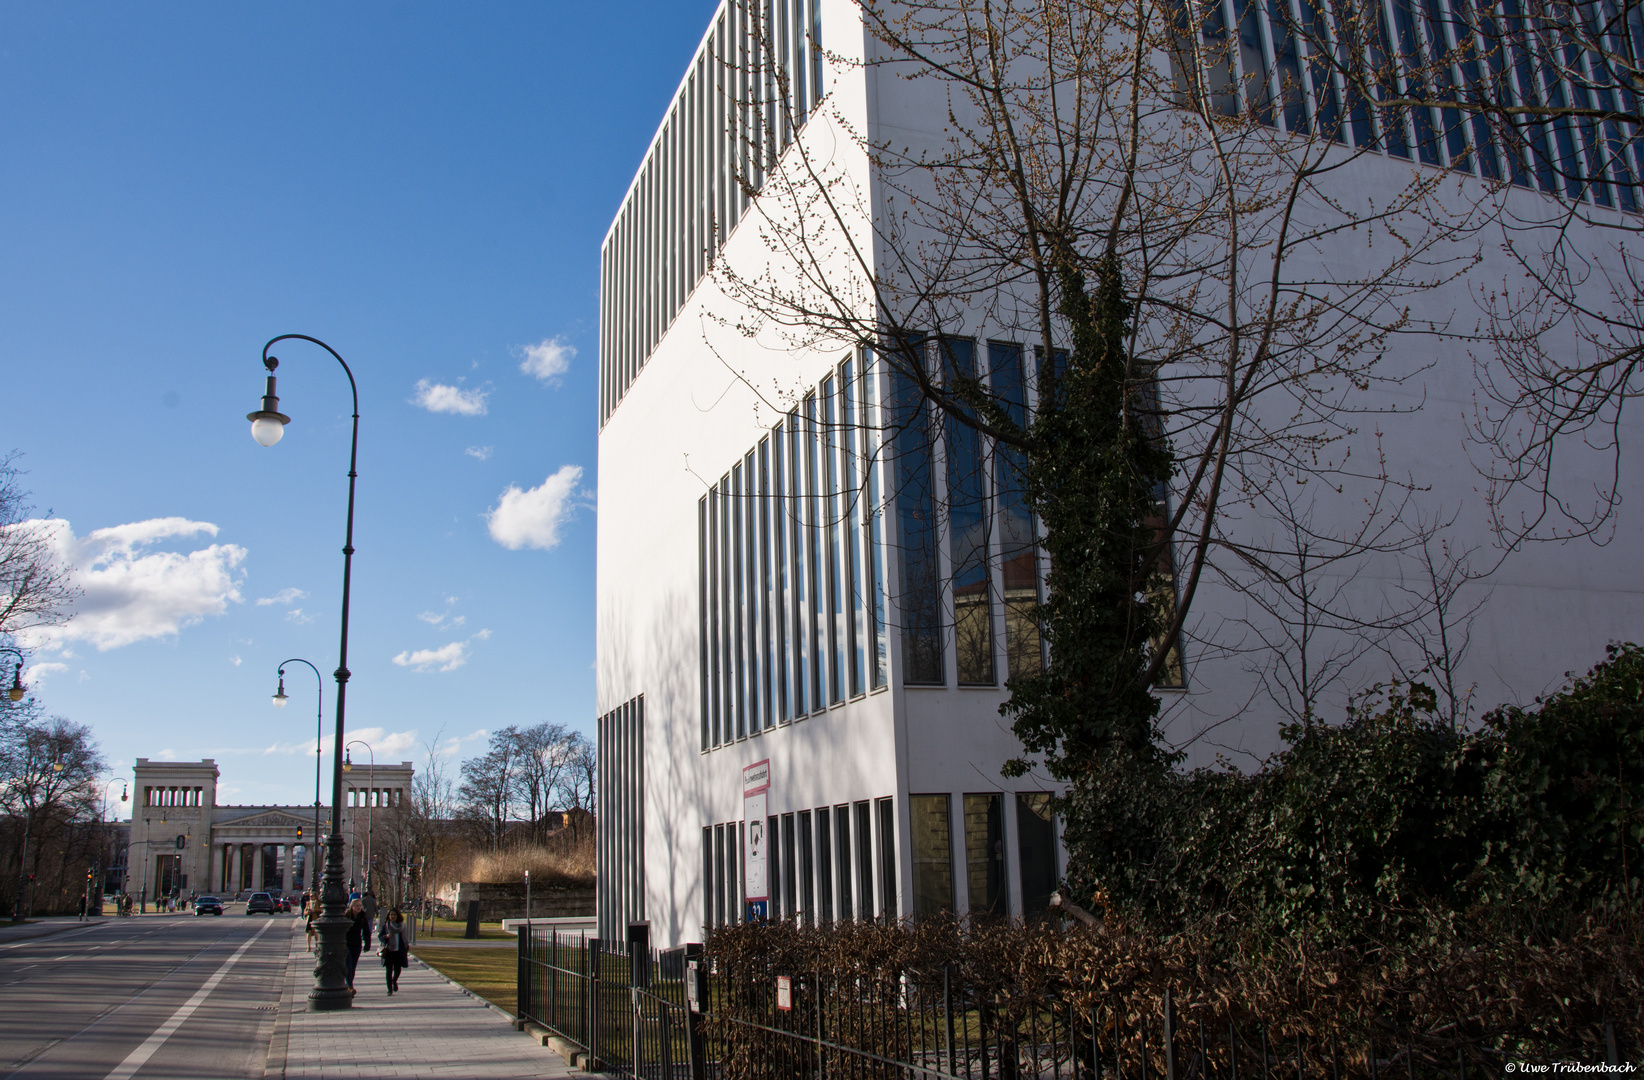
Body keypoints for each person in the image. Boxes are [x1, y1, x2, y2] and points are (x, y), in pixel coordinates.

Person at [378, 908, 409, 995]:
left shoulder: (401, 926)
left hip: (398, 951)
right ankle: (389, 989)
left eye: (394, 915)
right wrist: (386, 937)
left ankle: (394, 980)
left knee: (398, 969)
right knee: (389, 970)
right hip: (389, 951)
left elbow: (405, 938)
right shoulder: (386, 926)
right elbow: (380, 936)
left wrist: (406, 947)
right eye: (391, 915)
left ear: (398, 916)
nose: (392, 916)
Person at [344, 898, 369, 994]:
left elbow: (366, 931)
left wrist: (367, 943)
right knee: (348, 965)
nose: (359, 907)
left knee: (353, 966)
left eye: (360, 905)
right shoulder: (346, 915)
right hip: (346, 943)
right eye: (356, 906)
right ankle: (350, 986)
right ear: (352, 907)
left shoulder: (362, 916)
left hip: (357, 944)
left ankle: (348, 984)